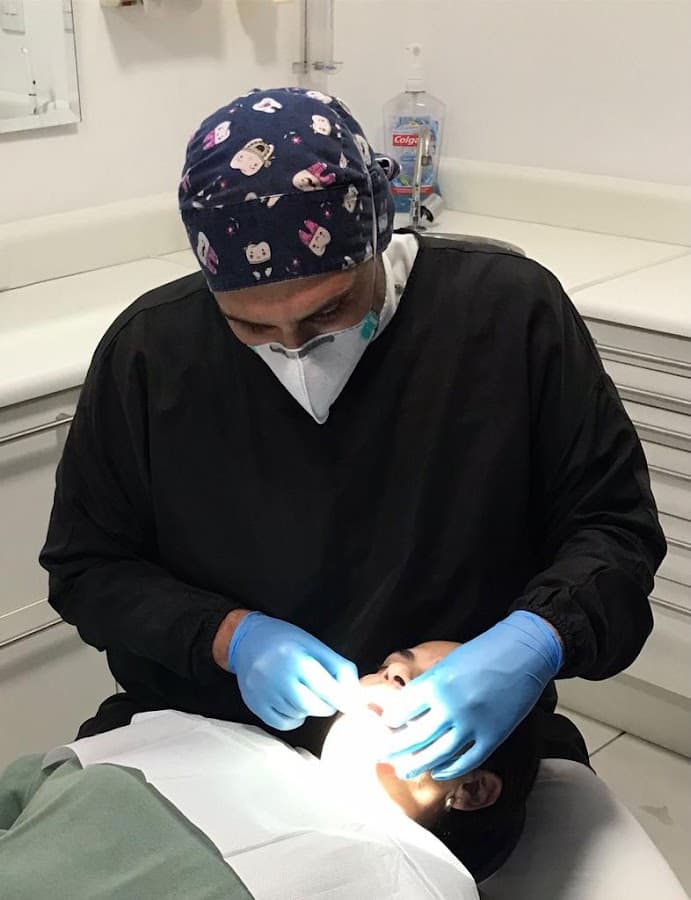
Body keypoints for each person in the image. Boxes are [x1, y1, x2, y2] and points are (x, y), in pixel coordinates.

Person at [40, 85, 665, 868]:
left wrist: (536, 640)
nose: (293, 348)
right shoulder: (150, 354)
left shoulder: (505, 316)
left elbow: (613, 531)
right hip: (204, 735)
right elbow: (88, 568)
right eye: (252, 327)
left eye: (327, 311)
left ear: (377, 229)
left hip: (433, 774)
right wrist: (228, 639)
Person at [0, 642, 538, 897]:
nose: (395, 669)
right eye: (392, 664)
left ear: (471, 788)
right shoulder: (192, 737)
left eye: (434, 683)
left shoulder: (418, 886)